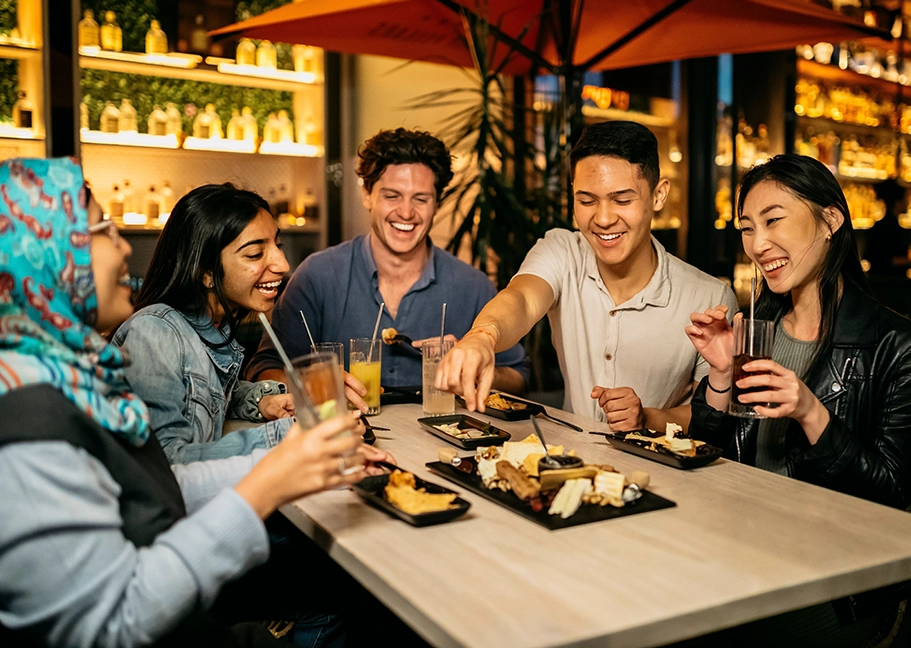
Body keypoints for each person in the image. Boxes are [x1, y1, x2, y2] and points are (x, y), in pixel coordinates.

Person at [0, 157, 394, 647]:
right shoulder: (29, 416)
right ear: (48, 255)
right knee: (336, 578)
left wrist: (287, 442)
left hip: (167, 571)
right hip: (163, 598)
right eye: (103, 230)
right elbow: (116, 620)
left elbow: (156, 484)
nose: (125, 246)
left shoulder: (66, 376)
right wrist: (274, 469)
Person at [683, 154, 911, 645]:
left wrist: (810, 412)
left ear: (831, 220)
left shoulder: (897, 344)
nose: (758, 244)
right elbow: (705, 459)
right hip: (743, 548)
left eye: (773, 220)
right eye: (747, 228)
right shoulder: (756, 333)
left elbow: (889, 494)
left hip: (838, 577)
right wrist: (719, 373)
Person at [437, 120, 738, 429]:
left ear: (658, 195)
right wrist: (483, 337)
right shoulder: (562, 250)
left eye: (622, 200)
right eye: (586, 201)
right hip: (568, 455)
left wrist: (647, 417)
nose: (603, 218)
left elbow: (712, 419)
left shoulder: (709, 297)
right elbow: (522, 299)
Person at [246, 127, 529, 405]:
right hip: (342, 433)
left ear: (437, 203)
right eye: (392, 196)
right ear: (367, 195)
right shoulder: (317, 276)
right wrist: (316, 385)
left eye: (420, 199)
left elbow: (519, 377)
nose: (406, 212)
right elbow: (263, 369)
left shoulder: (473, 286)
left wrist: (473, 368)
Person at [111, 184, 296, 464]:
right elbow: (165, 463)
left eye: (278, 246)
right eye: (255, 254)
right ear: (206, 272)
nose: (282, 264)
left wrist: (261, 400)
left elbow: (201, 395)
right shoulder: (154, 332)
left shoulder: (214, 327)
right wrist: (288, 436)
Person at [863, 178, 911, 277]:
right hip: (892, 282)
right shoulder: (894, 229)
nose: (908, 202)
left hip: (877, 282)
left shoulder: (877, 227)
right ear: (898, 202)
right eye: (906, 198)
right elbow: (890, 261)